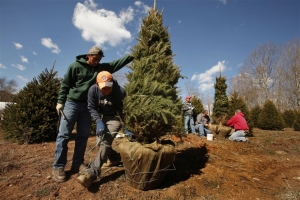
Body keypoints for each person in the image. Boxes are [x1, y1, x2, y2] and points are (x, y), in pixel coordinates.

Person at [52, 46, 134, 183]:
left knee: (83, 136)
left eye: (99, 60)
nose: (97, 62)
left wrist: (132, 56)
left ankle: (77, 163)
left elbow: (117, 63)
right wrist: (61, 101)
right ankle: (58, 166)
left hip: (87, 106)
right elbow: (65, 84)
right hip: (72, 103)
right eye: (95, 59)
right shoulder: (75, 66)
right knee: (64, 135)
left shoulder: (101, 69)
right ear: (88, 56)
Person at [76, 71, 132, 188]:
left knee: (105, 142)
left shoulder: (120, 92)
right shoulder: (93, 90)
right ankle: (114, 158)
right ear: (97, 84)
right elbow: (91, 107)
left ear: (112, 82)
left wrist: (127, 128)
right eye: (103, 88)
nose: (106, 90)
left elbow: (123, 112)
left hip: (115, 118)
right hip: (102, 118)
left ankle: (91, 174)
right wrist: (98, 121)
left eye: (108, 87)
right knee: (99, 142)